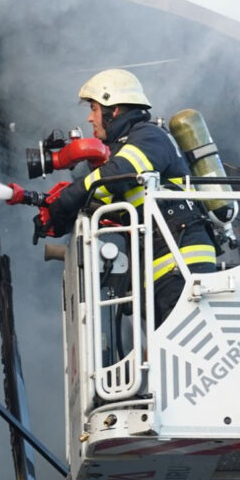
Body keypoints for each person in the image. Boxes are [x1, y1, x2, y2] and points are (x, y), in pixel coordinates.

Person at [43, 68, 217, 325]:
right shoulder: (126, 146)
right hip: (162, 267)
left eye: (93, 109)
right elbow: (96, 202)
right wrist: (54, 214)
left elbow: (118, 173)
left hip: (182, 263)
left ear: (113, 111)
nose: (90, 118)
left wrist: (68, 197)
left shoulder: (149, 136)